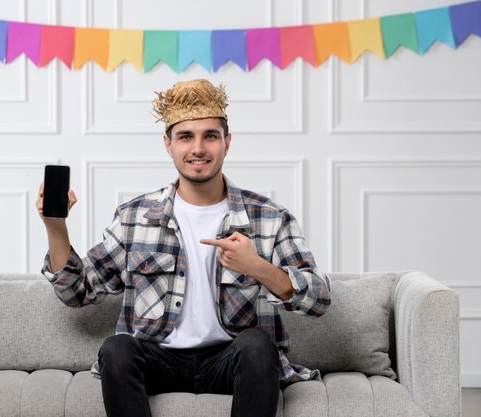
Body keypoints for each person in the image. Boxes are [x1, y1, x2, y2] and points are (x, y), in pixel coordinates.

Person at [36, 79, 331, 417]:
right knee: (116, 348)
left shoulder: (269, 218)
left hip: (230, 360)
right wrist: (55, 228)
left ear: (227, 142)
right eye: (185, 137)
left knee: (257, 345)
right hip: (158, 360)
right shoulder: (136, 217)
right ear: (168, 144)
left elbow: (320, 299)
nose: (198, 149)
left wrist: (258, 267)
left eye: (210, 136)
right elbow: (77, 291)